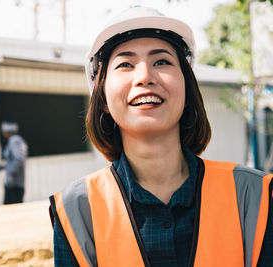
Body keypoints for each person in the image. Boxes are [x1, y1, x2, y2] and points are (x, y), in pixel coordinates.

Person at [49, 5, 273, 267]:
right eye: (125, 64)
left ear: (188, 90)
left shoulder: (255, 195)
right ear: (103, 101)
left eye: (162, 61)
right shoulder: (76, 210)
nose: (144, 76)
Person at [0, 121, 28, 204]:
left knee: (11, 210)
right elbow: (13, 160)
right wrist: (3, 167)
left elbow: (18, 159)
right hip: (15, 184)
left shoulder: (14, 141)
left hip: (14, 185)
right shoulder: (18, 141)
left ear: (7, 132)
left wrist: (12, 175)